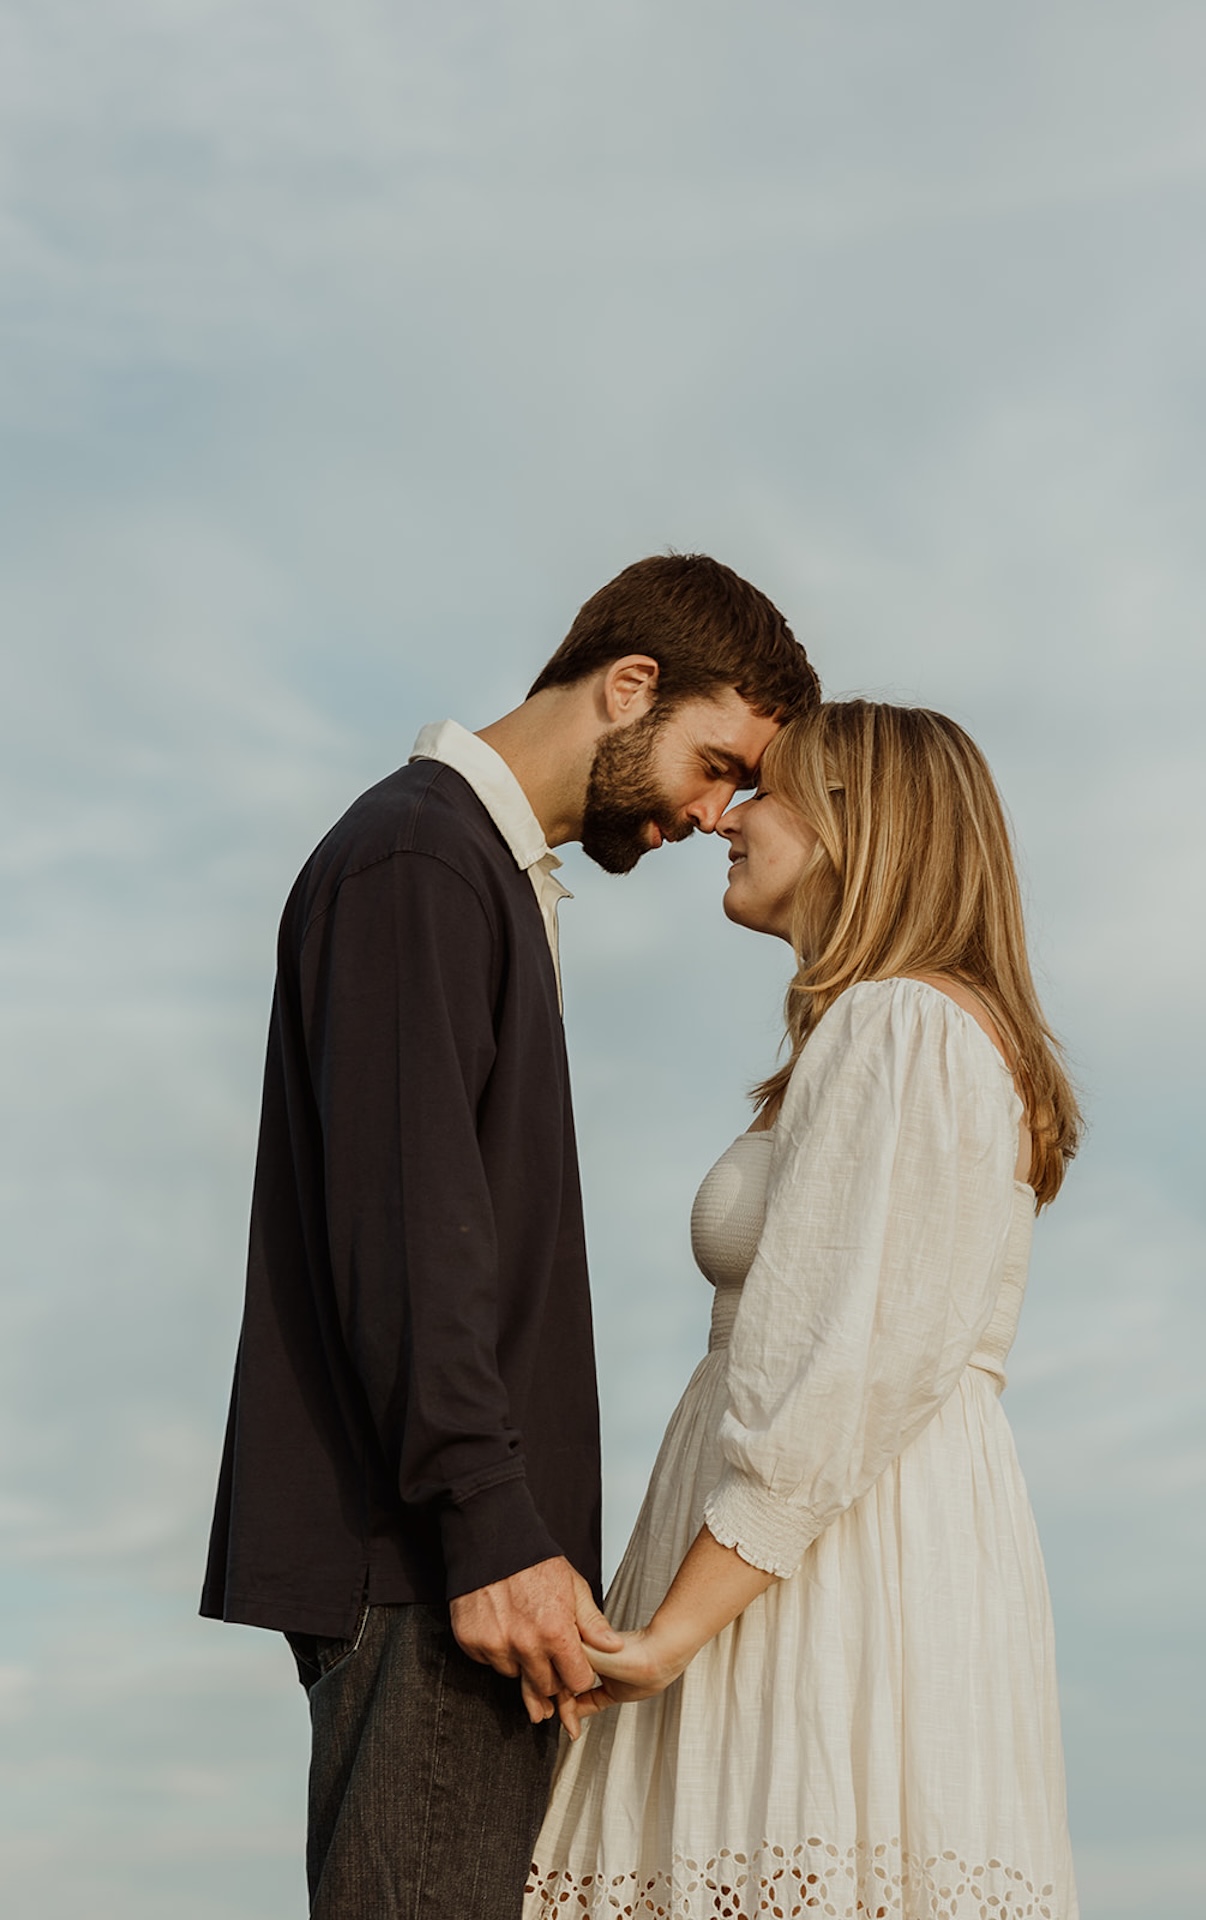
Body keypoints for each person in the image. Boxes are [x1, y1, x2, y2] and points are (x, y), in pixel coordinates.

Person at [198, 554, 820, 1919]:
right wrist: (490, 1531)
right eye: (715, 765)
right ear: (631, 685)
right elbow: (411, 1236)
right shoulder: (422, 859)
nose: (709, 816)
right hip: (432, 1568)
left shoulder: (467, 868)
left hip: (453, 1560)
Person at [526, 699, 1083, 1920]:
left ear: (851, 822)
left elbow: (838, 1369)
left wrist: (671, 1637)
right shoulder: (888, 1030)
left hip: (821, 1559)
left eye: (763, 792)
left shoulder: (902, 1025)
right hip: (817, 1538)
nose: (725, 813)